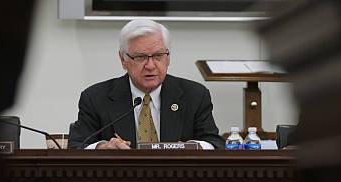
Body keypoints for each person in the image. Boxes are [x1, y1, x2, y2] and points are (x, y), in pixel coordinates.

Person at [68, 19, 224, 150]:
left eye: (158, 56)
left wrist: (190, 148)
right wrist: (102, 148)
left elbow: (214, 143)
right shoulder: (96, 98)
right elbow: (76, 145)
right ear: (123, 60)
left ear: (168, 58)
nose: (150, 65)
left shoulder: (195, 95)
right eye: (140, 57)